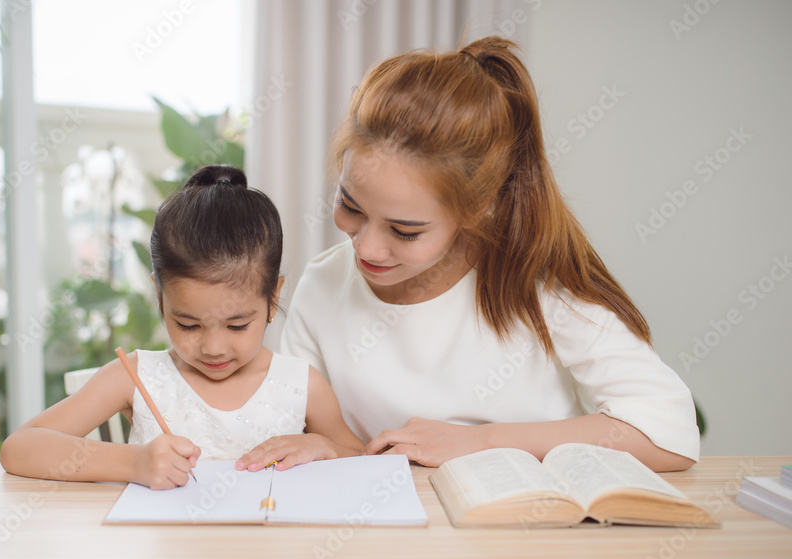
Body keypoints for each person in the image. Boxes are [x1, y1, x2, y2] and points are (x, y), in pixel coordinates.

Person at [240, 36, 699, 473]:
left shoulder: (536, 284)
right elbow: (297, 431)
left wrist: (477, 441)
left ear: (475, 209)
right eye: (350, 207)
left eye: (405, 230)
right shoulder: (323, 285)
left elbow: (669, 431)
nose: (367, 247)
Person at [0, 165, 364, 488]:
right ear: (160, 297)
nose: (213, 347)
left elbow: (360, 457)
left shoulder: (302, 384)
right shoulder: (138, 377)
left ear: (273, 297)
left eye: (237, 325)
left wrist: (323, 446)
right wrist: (133, 462)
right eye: (188, 324)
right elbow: (20, 448)